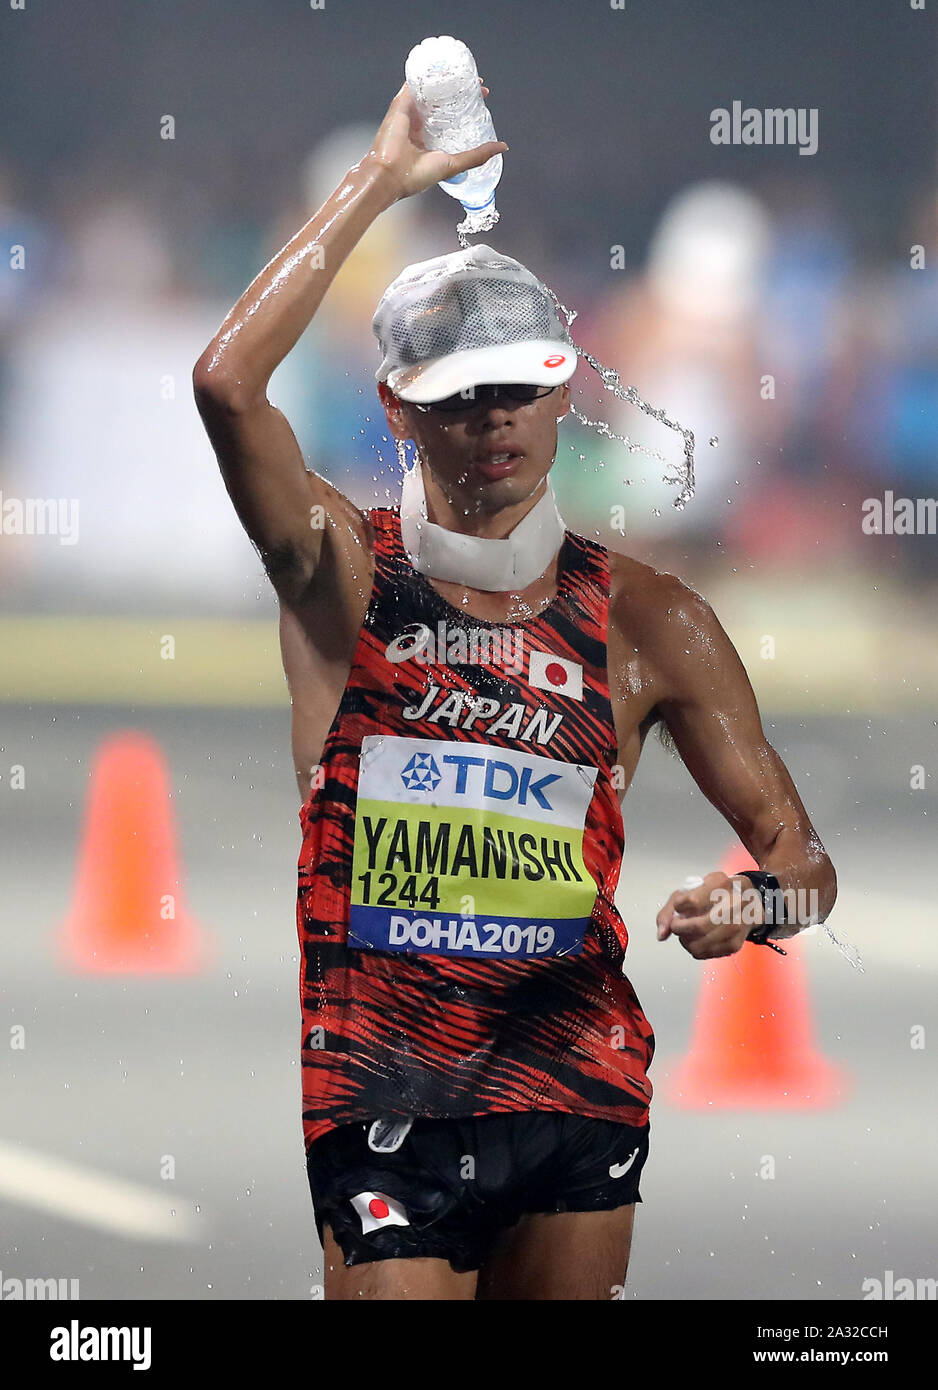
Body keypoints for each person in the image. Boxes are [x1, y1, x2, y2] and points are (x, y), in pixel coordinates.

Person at [193, 79, 837, 1301]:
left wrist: (749, 910)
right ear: (397, 407)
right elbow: (227, 385)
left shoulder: (653, 621)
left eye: (519, 390)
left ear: (562, 391)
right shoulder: (339, 572)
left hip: (573, 1077)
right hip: (382, 1087)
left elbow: (803, 866)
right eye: (457, 398)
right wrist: (378, 186)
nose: (494, 424)